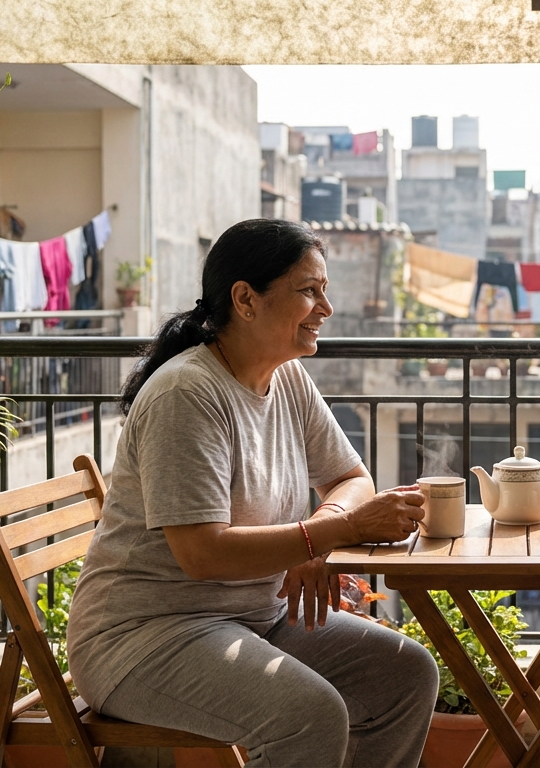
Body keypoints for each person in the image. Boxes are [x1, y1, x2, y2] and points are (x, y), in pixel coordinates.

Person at [67, 219, 438, 767]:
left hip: (255, 615)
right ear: (245, 299)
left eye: (324, 291)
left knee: (405, 672)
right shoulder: (187, 394)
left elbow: (351, 478)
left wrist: (316, 535)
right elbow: (203, 553)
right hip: (145, 636)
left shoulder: (285, 377)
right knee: (308, 716)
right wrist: (328, 535)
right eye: (309, 291)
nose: (325, 309)